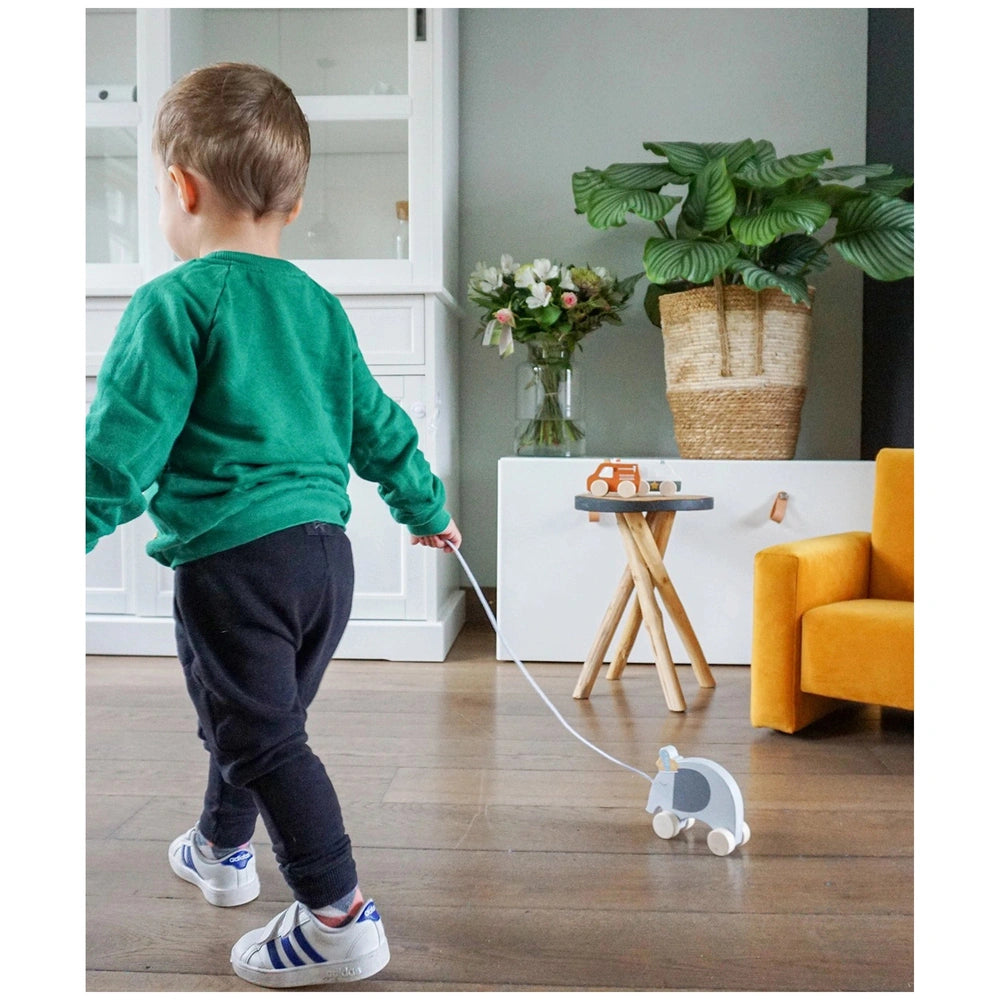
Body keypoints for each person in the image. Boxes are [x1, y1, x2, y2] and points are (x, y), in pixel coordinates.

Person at [85, 62, 461, 988]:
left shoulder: (176, 301)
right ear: (292, 201)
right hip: (327, 564)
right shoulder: (318, 307)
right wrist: (426, 508)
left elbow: (119, 456)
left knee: (262, 736)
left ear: (181, 187)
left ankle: (337, 915)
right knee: (253, 715)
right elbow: (379, 425)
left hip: (234, 564)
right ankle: (221, 849)